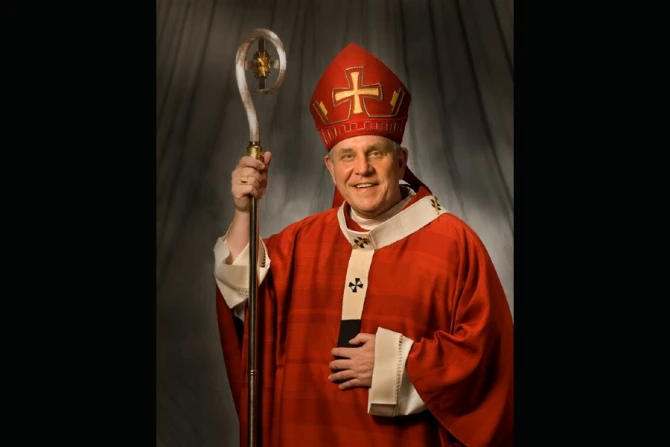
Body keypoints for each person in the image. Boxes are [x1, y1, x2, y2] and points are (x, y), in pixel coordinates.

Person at [213, 42, 514, 447]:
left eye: (376, 152)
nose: (362, 170)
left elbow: (490, 361)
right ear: (330, 167)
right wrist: (244, 211)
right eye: (347, 156)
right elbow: (242, 294)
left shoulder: (454, 244)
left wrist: (399, 364)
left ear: (402, 159)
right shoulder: (301, 241)